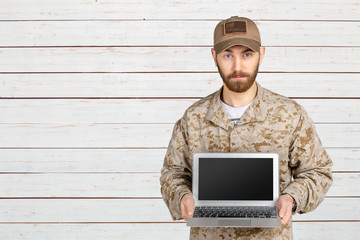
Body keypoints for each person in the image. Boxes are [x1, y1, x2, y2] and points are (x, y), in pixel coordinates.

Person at [160, 16, 333, 240]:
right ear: (214, 57)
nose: (237, 66)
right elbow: (172, 174)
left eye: (247, 54)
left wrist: (291, 198)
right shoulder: (193, 118)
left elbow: (317, 172)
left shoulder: (290, 115)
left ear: (261, 55)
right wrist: (182, 197)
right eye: (228, 55)